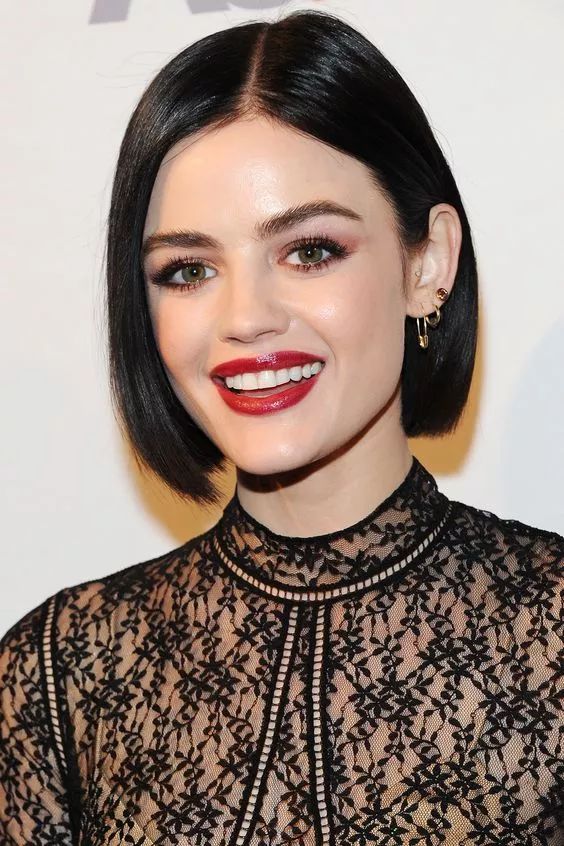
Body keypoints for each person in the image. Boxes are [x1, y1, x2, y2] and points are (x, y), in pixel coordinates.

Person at [1, 9, 562, 845]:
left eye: (309, 251)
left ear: (428, 263)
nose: (245, 318)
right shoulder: (57, 672)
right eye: (188, 269)